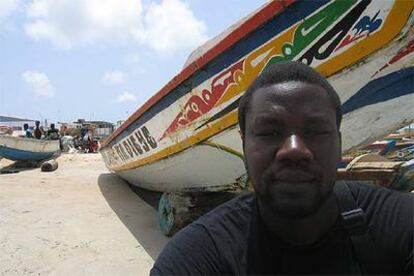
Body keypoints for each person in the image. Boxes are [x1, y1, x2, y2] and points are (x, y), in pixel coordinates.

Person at [151, 61, 413, 275]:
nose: (294, 149)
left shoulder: (400, 225)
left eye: (315, 130)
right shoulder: (198, 257)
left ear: (339, 143)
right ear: (244, 146)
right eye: (270, 132)